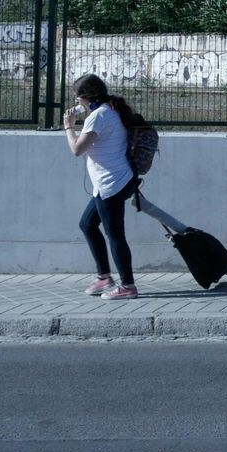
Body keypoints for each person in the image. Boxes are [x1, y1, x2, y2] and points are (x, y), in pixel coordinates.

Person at [64, 73, 142, 300]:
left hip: (112, 184)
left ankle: (128, 286)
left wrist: (69, 127)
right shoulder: (110, 109)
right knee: (87, 224)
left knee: (115, 234)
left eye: (77, 97)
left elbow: (77, 150)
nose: (76, 101)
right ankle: (104, 277)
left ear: (87, 97)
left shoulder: (98, 116)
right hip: (112, 181)